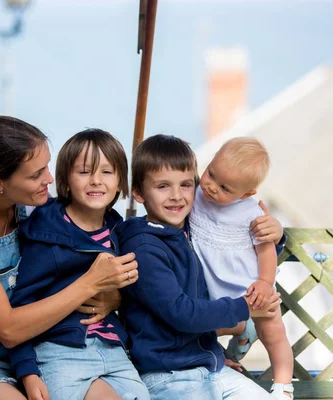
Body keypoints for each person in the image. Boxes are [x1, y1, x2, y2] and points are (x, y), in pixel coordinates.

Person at [0, 116, 138, 400]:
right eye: (35, 175)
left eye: (46, 166)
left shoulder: (34, 210)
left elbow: (94, 253)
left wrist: (114, 297)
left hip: (44, 348)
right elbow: (8, 328)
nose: (49, 179)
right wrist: (90, 284)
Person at [117, 134, 283, 400]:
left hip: (210, 366)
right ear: (138, 192)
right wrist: (245, 307)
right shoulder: (144, 248)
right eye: (162, 186)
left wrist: (275, 233)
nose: (176, 196)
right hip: (168, 375)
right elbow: (181, 313)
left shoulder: (190, 229)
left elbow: (236, 242)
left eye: (185, 185)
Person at [9, 129, 149, 400]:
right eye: (84, 172)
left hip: (114, 350)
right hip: (61, 351)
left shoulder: (119, 233)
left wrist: (118, 299)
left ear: (121, 181)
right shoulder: (48, 234)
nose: (96, 181)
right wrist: (27, 371)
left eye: (107, 172)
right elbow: (20, 308)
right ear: (65, 180)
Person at [191, 137, 294, 400]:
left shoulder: (251, 212)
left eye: (224, 187)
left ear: (246, 193)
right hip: (214, 294)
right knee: (202, 329)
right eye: (211, 174)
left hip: (251, 289)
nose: (211, 187)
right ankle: (225, 355)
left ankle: (283, 386)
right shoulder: (194, 196)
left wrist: (264, 281)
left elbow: (266, 250)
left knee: (273, 332)